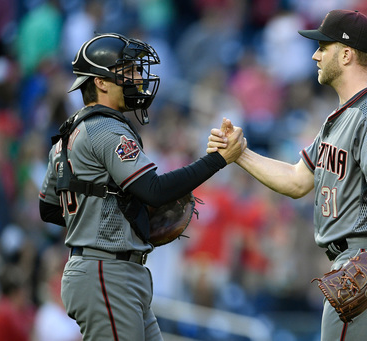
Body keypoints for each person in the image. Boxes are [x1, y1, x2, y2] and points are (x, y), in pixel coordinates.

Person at [208, 9, 367, 341]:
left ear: (346, 54)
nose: (316, 55)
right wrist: (240, 154)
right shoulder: (340, 117)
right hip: (365, 253)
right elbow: (297, 180)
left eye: (324, 46)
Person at [38, 32, 245, 341]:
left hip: (108, 270)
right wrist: (217, 160)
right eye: (129, 70)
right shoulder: (107, 128)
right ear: (101, 82)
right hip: (106, 272)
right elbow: (155, 190)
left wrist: (106, 216)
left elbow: (48, 208)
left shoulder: (70, 132)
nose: (138, 77)